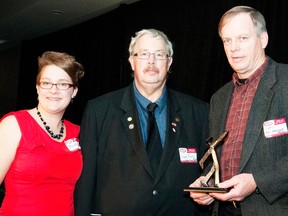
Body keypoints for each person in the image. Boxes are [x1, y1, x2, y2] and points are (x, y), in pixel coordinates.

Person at [74, 28, 209, 216]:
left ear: (169, 62)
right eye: (144, 54)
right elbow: (86, 179)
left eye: (159, 55)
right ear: (132, 61)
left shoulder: (198, 111)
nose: (151, 61)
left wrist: (208, 184)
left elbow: (209, 168)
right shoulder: (99, 110)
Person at [189, 5, 288, 216]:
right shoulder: (219, 98)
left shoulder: (285, 82)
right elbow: (217, 157)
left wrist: (256, 181)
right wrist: (206, 182)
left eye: (242, 38)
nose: (233, 48)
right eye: (227, 40)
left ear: (263, 40)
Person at [0, 51, 85, 216]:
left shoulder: (78, 132)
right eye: (46, 83)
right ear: (37, 87)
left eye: (62, 84)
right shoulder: (14, 124)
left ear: (73, 91)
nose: (53, 90)